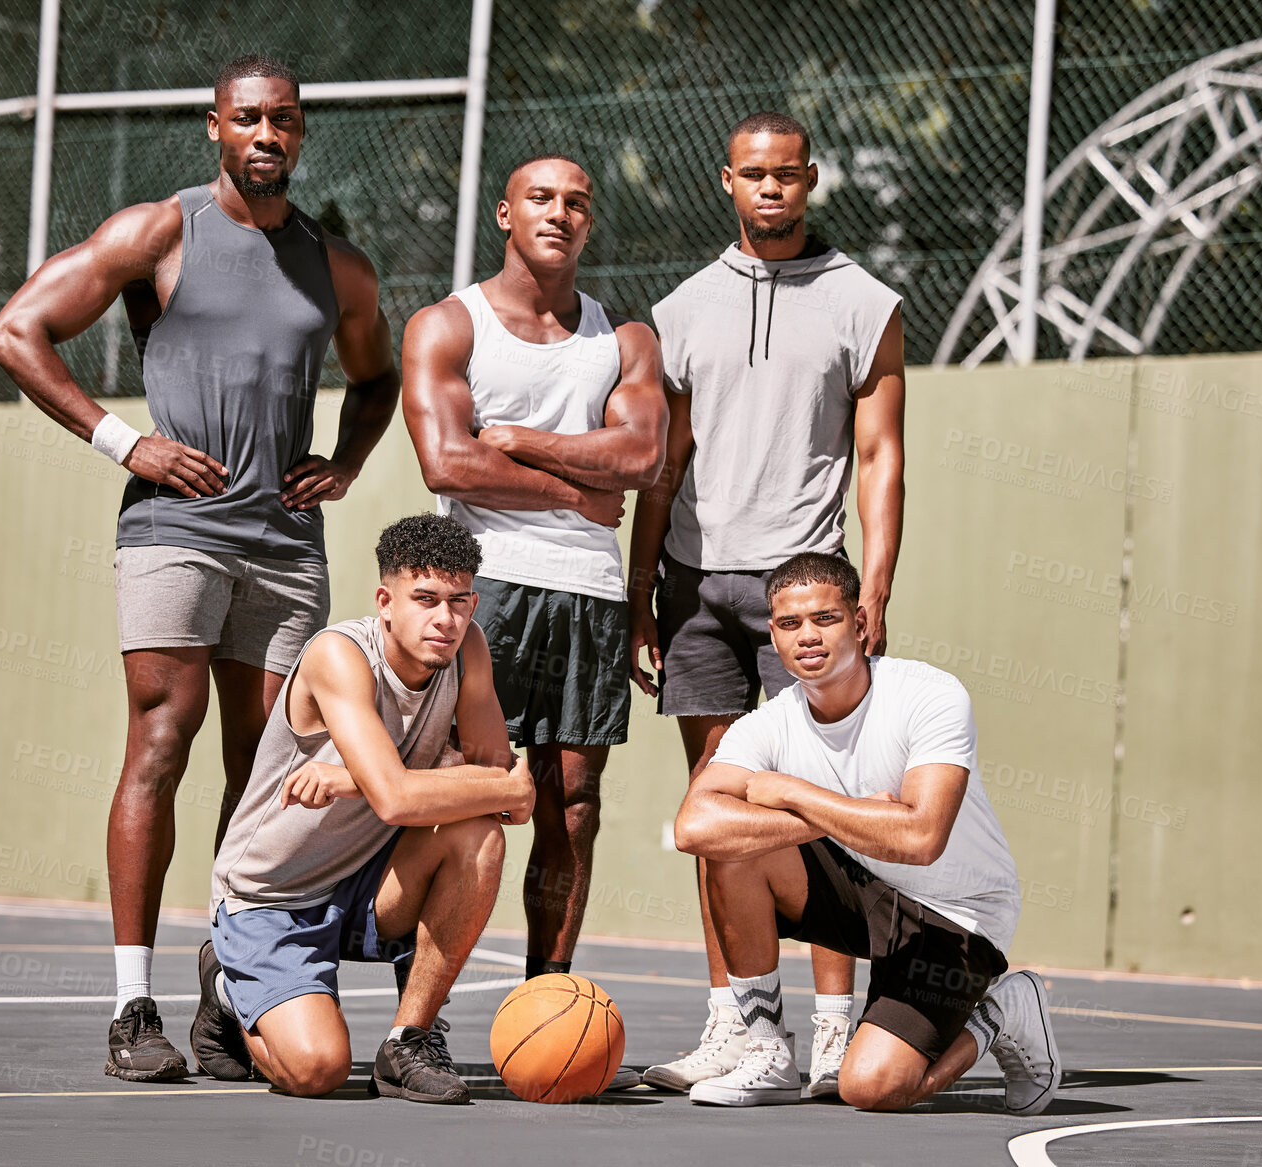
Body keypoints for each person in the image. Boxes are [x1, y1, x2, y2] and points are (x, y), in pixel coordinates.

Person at [0, 54, 400, 1080]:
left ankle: (231, 995)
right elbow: (13, 331)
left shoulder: (338, 268)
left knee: (268, 771)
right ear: (215, 127)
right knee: (161, 744)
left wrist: (343, 465)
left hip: (288, 548)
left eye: (285, 121)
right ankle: (134, 1007)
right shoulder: (158, 231)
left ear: (302, 134)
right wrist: (125, 444)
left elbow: (377, 375)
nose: (268, 134)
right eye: (249, 118)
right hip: (177, 530)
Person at [631, 111, 906, 1097]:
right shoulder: (683, 309)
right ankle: (740, 1028)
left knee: (817, 815)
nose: (772, 190)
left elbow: (880, 458)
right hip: (697, 586)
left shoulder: (865, 304)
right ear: (727, 182)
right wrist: (638, 593)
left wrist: (871, 589)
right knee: (717, 812)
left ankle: (836, 1031)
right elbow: (662, 471)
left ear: (812, 179)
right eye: (754, 176)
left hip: (810, 588)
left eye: (787, 175)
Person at [401, 157, 667, 1013]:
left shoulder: (624, 339)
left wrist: (518, 439)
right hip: (484, 595)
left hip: (587, 592)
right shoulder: (449, 324)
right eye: (542, 199)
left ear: (590, 223)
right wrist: (576, 493)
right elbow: (448, 460)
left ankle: (544, 1004)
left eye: (577, 203)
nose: (560, 213)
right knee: (458, 798)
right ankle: (420, 1021)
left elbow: (640, 457)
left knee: (574, 806)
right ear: (505, 215)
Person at [672, 551, 1059, 1112]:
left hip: (956, 918)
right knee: (729, 846)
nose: (807, 636)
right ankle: (768, 1050)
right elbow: (693, 826)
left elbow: (921, 839)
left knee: (873, 1088)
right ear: (775, 638)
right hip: (861, 891)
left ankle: (1001, 1013)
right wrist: (839, 813)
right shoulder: (770, 723)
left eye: (825, 618)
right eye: (789, 624)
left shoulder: (927, 695)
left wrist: (793, 792)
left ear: (859, 622)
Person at [189, 513, 534, 1102]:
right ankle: (228, 989)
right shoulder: (339, 656)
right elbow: (455, 793)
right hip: (271, 896)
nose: (445, 620)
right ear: (385, 600)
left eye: (459, 601)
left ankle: (409, 1039)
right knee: (318, 1073)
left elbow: (490, 787)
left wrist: (357, 781)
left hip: (367, 880)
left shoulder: (468, 648)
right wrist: (498, 788)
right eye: (425, 599)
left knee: (476, 834)